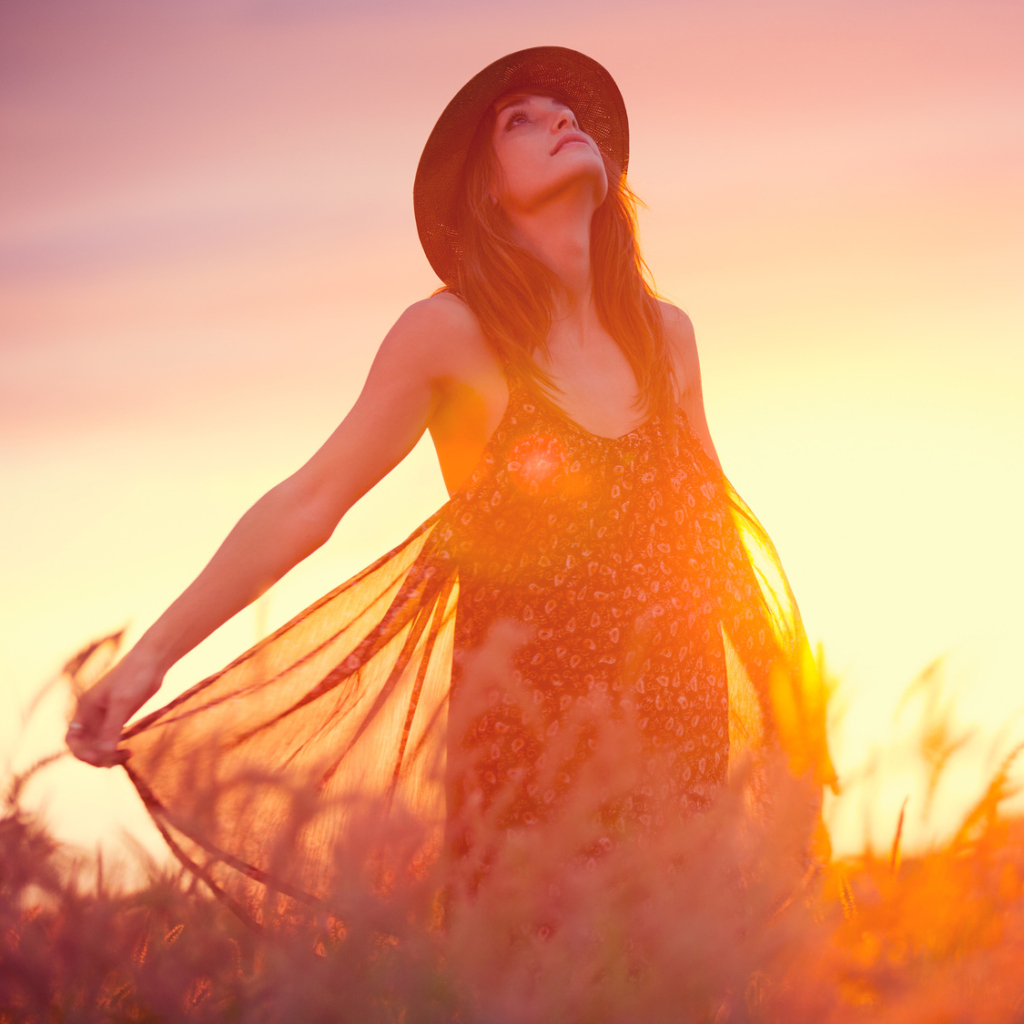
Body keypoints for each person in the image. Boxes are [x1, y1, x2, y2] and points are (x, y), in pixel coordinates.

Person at [66, 47, 835, 918]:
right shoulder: (447, 334)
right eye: (524, 119)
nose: (561, 121)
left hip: (674, 731)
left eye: (566, 113)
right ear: (487, 191)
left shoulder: (669, 339)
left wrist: (790, 707)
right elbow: (308, 502)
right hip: (528, 749)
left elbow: (715, 535)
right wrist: (147, 662)